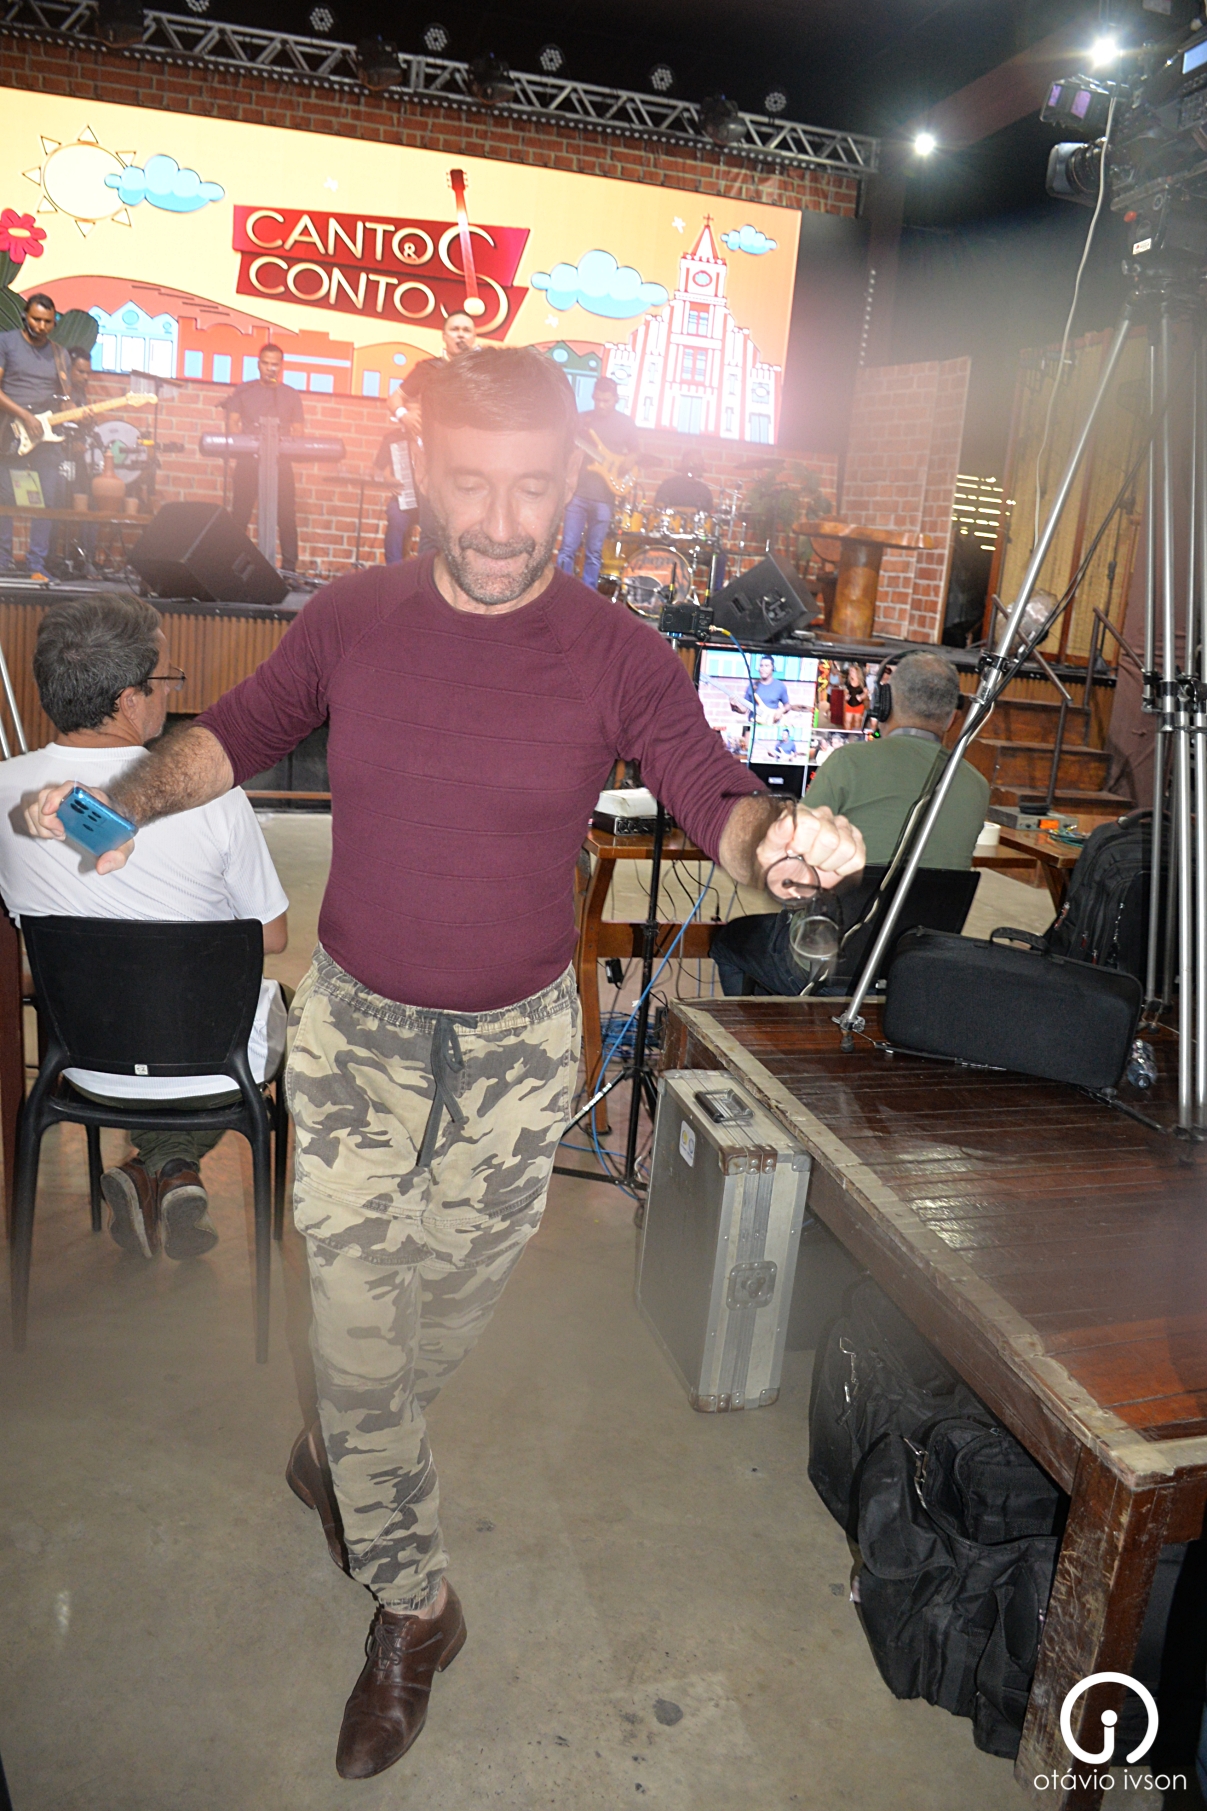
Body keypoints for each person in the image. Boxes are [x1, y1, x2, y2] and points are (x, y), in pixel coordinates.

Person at [24, 346, 864, 1783]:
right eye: (470, 485)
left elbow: (706, 785)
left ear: (568, 480)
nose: (498, 522)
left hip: (519, 1053)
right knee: (360, 1331)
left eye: (531, 489)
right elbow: (233, 735)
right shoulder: (352, 617)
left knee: (428, 1329)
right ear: (421, 470)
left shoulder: (613, 648)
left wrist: (770, 842)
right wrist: (122, 802)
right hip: (358, 1036)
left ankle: (339, 1446)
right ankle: (416, 1606)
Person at [0, 592, 288, 1259]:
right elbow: (271, 936)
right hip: (209, 1071)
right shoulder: (211, 797)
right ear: (131, 699)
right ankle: (167, 1165)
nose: (169, 694)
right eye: (166, 680)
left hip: (79, 1063)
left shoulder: (8, 792)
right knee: (278, 1015)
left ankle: (156, 1170)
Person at [711, 649, 989, 997]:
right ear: (953, 718)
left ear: (883, 704)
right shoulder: (977, 786)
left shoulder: (848, 762)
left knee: (729, 940)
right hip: (915, 970)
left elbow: (790, 865)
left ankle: (770, 1028)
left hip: (821, 964)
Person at [395, 309, 479, 554]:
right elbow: (395, 399)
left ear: (474, 337)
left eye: (466, 330)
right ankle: (427, 579)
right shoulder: (428, 369)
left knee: (464, 534)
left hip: (471, 465)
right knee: (432, 534)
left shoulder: (482, 373)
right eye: (455, 329)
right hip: (434, 463)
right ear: (444, 336)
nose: (460, 335)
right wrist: (404, 415)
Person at [0, 293, 70, 579]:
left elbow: (66, 399)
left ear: (54, 323)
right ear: (24, 317)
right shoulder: (6, 343)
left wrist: (78, 412)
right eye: (36, 319)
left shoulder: (60, 354)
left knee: (47, 498)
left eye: (47, 321)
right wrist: (25, 416)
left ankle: (36, 565)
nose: (41, 326)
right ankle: (2, 562)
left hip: (46, 435)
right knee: (4, 497)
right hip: (11, 431)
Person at [222, 343, 304, 572]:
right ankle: (234, 567)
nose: (270, 368)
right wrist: (244, 443)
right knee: (240, 515)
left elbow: (298, 430)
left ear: (281, 366)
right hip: (249, 462)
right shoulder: (244, 391)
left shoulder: (290, 394)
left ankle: (289, 570)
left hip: (280, 463)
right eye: (266, 363)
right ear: (258, 365)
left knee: (286, 517)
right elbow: (232, 423)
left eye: (274, 364)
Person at [556, 375, 638, 590]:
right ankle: (561, 591)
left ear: (615, 399)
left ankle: (589, 594)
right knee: (568, 547)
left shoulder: (625, 423)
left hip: (605, 497)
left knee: (594, 551)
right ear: (593, 396)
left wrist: (628, 462)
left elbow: (636, 451)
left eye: (606, 401)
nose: (601, 405)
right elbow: (565, 444)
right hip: (579, 493)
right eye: (598, 400)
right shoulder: (582, 420)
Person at [373, 403, 419, 564]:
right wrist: (387, 480)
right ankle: (394, 570)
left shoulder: (436, 439)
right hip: (403, 498)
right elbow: (377, 471)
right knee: (395, 516)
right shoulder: (393, 438)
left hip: (431, 503)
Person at [743, 653, 791, 723]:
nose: (763, 668)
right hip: (754, 723)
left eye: (767, 666)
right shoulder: (752, 686)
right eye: (761, 666)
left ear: (772, 668)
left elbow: (787, 705)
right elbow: (744, 709)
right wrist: (734, 706)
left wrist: (781, 710)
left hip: (771, 724)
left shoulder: (780, 686)